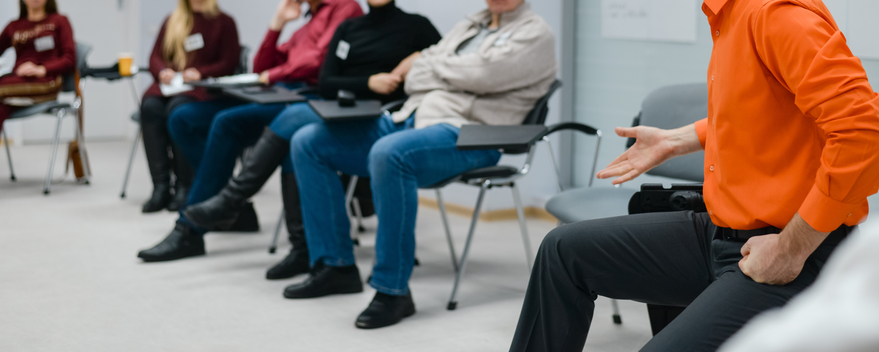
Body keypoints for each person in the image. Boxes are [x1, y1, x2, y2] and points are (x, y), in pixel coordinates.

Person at [509, 0, 879, 350]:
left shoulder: (776, 15)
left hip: (795, 251)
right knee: (562, 251)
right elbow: (758, 114)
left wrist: (790, 249)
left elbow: (865, 133)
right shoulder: (728, 16)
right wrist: (674, 141)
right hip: (722, 236)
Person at [285, 0, 556, 329]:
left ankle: (392, 290)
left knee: (389, 153)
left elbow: (479, 74)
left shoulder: (535, 34)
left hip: (470, 133)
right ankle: (336, 266)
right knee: (309, 142)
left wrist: (430, 63)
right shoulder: (472, 24)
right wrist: (440, 66)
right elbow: (416, 79)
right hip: (412, 117)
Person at [178, 0, 442, 281]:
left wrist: (417, 60)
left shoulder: (414, 25)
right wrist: (278, 24)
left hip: (381, 115)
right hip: (336, 106)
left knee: (296, 119)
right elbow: (326, 81)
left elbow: (443, 61)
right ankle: (301, 247)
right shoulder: (349, 27)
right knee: (290, 135)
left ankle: (231, 201)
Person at [137, 0, 362, 262]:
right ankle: (225, 205)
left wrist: (275, 73)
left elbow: (318, 60)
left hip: (307, 98)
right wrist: (277, 24)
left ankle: (190, 227)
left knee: (225, 122)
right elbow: (260, 68)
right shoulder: (305, 23)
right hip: (280, 93)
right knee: (184, 118)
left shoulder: (344, 8)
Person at [140, 0, 241, 213]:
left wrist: (201, 72)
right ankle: (160, 187)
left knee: (178, 112)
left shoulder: (224, 22)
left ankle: (184, 186)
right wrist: (162, 72)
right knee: (150, 107)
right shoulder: (172, 20)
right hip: (169, 86)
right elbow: (155, 57)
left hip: (199, 88)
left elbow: (229, 62)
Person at [0, 0, 75, 132]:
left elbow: (70, 59)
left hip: (47, 81)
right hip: (15, 83)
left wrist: (42, 69)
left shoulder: (59, 21)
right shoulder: (13, 26)